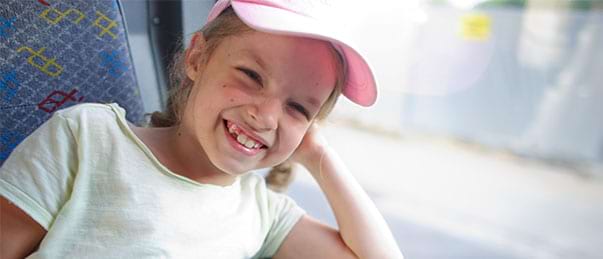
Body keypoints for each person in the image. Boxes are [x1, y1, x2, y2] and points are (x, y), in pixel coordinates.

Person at [0, 0, 403, 258]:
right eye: (250, 75)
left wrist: (320, 157)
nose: (265, 117)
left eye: (297, 108)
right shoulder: (88, 137)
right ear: (196, 58)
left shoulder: (261, 211)